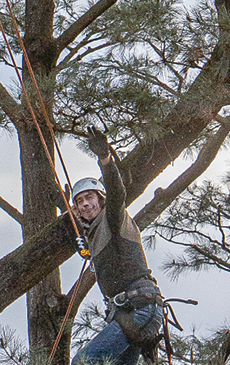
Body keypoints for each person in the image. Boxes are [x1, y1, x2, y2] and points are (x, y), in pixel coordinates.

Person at [69, 131, 164, 362]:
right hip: (124, 314)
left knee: (83, 362)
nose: (85, 204)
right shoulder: (93, 232)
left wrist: (105, 160)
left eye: (89, 197)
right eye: (79, 201)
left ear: (101, 199)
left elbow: (117, 193)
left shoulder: (112, 217)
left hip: (140, 308)